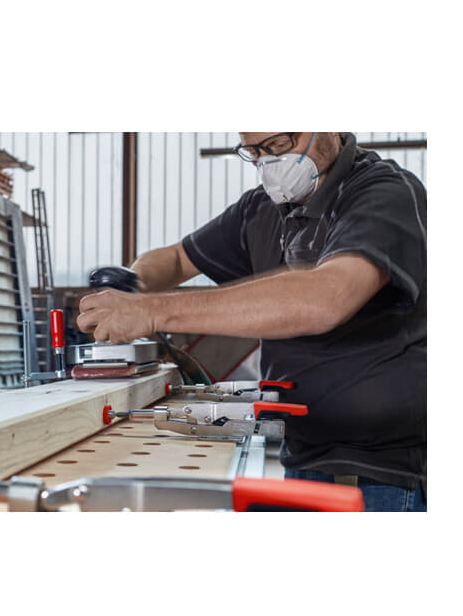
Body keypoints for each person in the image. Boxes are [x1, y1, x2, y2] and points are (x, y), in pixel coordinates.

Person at [76, 132, 427, 512]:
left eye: (279, 145)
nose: (269, 162)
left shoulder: (384, 193)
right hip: (304, 453)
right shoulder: (261, 209)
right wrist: (133, 283)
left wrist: (153, 311)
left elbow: (327, 297)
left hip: (384, 472)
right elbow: (178, 258)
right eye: (255, 151)